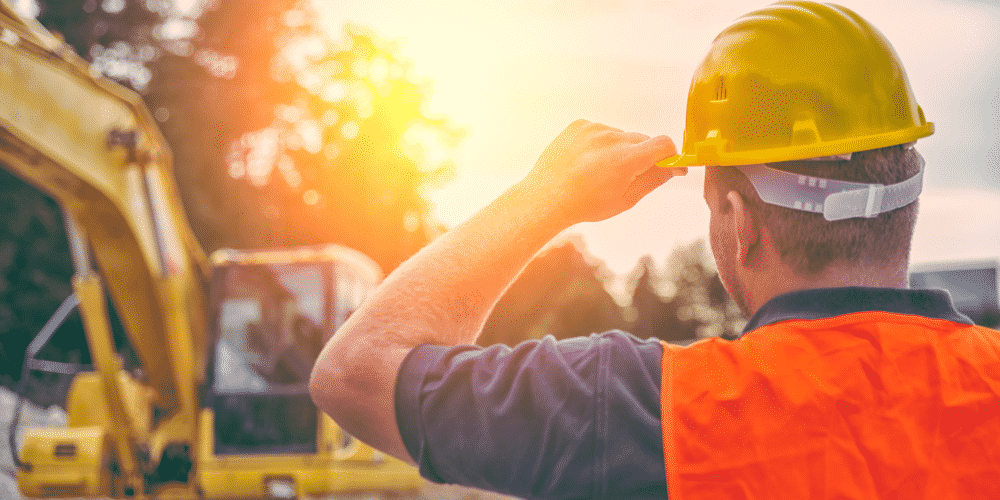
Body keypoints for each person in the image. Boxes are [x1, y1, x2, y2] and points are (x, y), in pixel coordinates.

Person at [310, 1, 1000, 498]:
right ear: (910, 192)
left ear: (738, 221)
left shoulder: (644, 407)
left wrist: (542, 197)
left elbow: (355, 374)